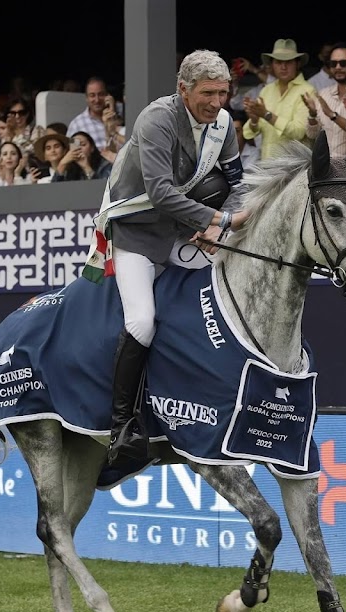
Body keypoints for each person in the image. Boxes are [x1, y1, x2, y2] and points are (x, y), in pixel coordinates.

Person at [93, 49, 248, 468]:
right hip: (138, 235)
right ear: (183, 89)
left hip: (183, 232)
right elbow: (160, 192)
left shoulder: (223, 124)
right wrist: (220, 220)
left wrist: (216, 225)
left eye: (223, 93)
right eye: (208, 93)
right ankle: (122, 427)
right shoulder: (157, 119)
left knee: (227, 296)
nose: (217, 103)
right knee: (141, 320)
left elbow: (235, 184)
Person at [242, 38, 316, 161]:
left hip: (294, 168)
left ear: (297, 64)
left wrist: (266, 115)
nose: (283, 67)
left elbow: (299, 132)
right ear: (272, 65)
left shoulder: (308, 91)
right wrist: (254, 120)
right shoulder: (266, 90)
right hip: (267, 164)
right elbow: (250, 132)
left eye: (289, 62)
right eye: (278, 62)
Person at [303, 42, 346, 157]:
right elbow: (312, 135)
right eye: (333, 64)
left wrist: (334, 116)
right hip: (326, 168)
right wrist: (312, 115)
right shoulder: (323, 94)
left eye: (343, 63)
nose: (338, 67)